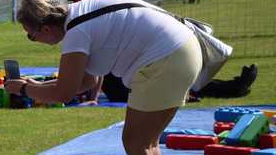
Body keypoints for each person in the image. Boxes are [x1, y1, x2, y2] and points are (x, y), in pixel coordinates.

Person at [5, 0, 203, 155]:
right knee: (146, 143)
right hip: (181, 51)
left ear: (45, 29)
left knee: (137, 142)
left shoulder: (76, 32)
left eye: (30, 36)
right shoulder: (80, 15)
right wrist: (35, 85)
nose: (33, 40)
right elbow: (85, 81)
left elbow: (64, 93)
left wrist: (24, 89)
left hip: (165, 59)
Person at [98, 64, 258, 102]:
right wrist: (92, 97)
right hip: (125, 90)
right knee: (182, 83)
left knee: (184, 80)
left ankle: (236, 86)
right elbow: (97, 74)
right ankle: (236, 87)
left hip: (129, 84)